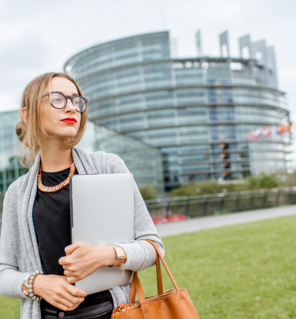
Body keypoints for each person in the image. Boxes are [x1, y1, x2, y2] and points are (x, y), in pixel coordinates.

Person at [0, 72, 164, 319]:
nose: (72, 107)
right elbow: (4, 272)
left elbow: (154, 248)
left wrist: (105, 255)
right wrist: (37, 284)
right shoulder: (16, 193)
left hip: (111, 313)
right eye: (57, 99)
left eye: (76, 100)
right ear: (27, 114)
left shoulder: (108, 167)